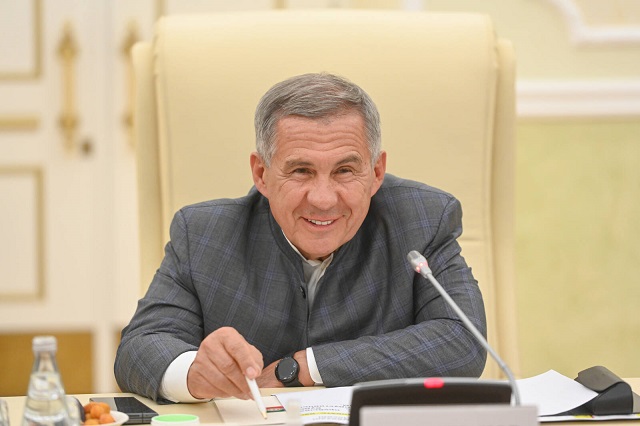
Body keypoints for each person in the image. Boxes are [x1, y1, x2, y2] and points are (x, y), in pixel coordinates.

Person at [114, 72, 487, 403]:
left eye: (345, 170)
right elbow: (140, 348)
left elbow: (462, 340)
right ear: (261, 174)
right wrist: (195, 372)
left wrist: (303, 367)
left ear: (376, 173)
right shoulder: (203, 233)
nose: (323, 199)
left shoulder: (423, 219)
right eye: (301, 171)